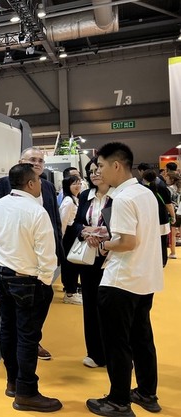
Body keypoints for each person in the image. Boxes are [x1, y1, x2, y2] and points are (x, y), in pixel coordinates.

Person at [86, 142, 164, 417]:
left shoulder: (122, 198)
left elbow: (128, 242)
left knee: (117, 343)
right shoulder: (145, 193)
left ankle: (118, 401)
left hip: (121, 281)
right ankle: (147, 393)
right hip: (144, 278)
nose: (98, 172)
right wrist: (112, 238)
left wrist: (104, 244)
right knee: (142, 338)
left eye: (101, 166)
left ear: (116, 165)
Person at [0, 163, 61, 413]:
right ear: (30, 183)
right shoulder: (36, 211)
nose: (41, 184)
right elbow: (47, 254)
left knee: (8, 330)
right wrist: (45, 282)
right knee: (28, 336)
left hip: (2, 275)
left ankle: (12, 382)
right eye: (38, 180)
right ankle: (26, 392)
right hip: (28, 280)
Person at [71, 157, 113, 369]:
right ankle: (95, 353)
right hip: (88, 257)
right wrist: (85, 232)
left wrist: (103, 234)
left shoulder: (118, 196)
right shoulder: (85, 195)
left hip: (113, 257)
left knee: (113, 307)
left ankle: (117, 354)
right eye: (91, 170)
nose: (94, 174)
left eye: (98, 169)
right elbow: (77, 222)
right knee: (90, 305)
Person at [141, 169, 174, 267]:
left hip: (148, 218)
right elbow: (169, 204)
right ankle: (163, 261)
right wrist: (173, 216)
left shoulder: (142, 189)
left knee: (150, 241)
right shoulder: (162, 187)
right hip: (162, 218)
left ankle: (152, 261)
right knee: (163, 241)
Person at [59, 175, 82, 305]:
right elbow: (63, 221)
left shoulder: (76, 199)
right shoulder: (68, 201)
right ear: (68, 186)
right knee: (70, 265)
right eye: (74, 184)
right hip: (68, 235)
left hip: (74, 234)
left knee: (74, 264)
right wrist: (61, 240)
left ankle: (72, 290)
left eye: (79, 183)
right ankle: (69, 293)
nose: (77, 186)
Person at [164, 171, 180, 258]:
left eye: (167, 177)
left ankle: (173, 252)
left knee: (172, 234)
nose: (165, 179)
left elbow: (168, 202)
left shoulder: (169, 189)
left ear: (172, 179)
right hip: (179, 210)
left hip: (173, 211)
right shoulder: (179, 188)